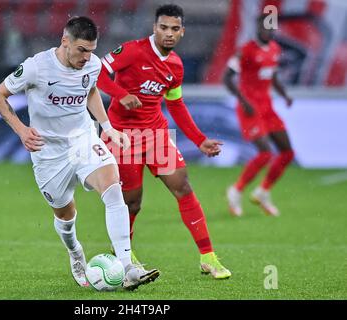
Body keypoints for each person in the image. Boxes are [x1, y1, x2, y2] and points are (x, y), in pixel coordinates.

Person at [0, 16, 159, 290]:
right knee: (65, 216)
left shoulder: (91, 65)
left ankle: (128, 267)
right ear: (65, 42)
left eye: (91, 50)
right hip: (49, 153)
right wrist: (22, 130)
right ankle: (75, 252)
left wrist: (108, 127)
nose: (87, 57)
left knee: (113, 189)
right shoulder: (36, 67)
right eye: (82, 50)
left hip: (83, 141)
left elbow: (90, 89)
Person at [97, 4, 231, 279]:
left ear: (182, 32)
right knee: (132, 203)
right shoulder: (132, 51)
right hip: (123, 136)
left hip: (156, 135)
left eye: (174, 29)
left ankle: (208, 257)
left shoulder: (176, 66)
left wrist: (199, 140)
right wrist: (120, 94)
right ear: (154, 28)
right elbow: (96, 73)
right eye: (163, 28)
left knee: (182, 186)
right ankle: (125, 255)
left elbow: (176, 104)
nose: (168, 34)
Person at [223, 15, 294, 217]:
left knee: (287, 153)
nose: (269, 31)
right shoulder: (245, 50)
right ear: (257, 28)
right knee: (265, 153)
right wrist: (244, 102)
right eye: (265, 27)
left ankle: (263, 191)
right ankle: (236, 190)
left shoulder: (275, 49)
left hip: (267, 108)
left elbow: (273, 76)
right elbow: (227, 78)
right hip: (249, 109)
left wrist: (285, 95)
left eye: (272, 28)